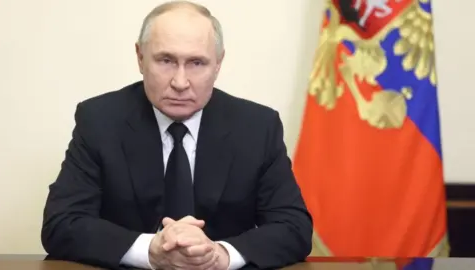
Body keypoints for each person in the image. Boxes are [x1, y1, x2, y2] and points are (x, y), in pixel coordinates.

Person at [41, 1, 313, 269]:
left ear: (218, 64)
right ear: (140, 57)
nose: (180, 82)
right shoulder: (99, 120)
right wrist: (149, 250)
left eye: (196, 62)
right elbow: (62, 223)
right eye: (166, 60)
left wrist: (220, 255)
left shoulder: (257, 127)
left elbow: (294, 227)